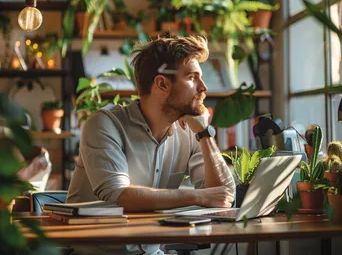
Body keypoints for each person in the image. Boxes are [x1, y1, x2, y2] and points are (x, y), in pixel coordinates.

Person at [67, 35, 236, 254]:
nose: (203, 87)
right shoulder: (104, 125)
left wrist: (205, 133)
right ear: (162, 84)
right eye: (193, 78)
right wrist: (199, 196)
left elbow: (224, 198)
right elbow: (121, 196)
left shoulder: (190, 131)